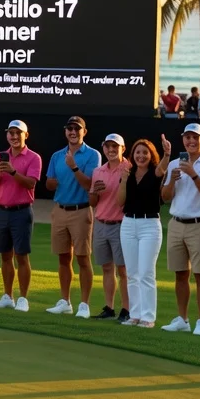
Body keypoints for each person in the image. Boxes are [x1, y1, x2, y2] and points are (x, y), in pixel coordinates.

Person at [160, 126, 200, 336]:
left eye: (195, 137)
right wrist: (173, 181)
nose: (191, 141)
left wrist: (193, 175)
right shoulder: (174, 164)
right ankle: (182, 319)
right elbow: (166, 196)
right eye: (187, 137)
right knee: (180, 274)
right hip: (177, 223)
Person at [43, 116, 100, 317]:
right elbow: (49, 182)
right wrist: (51, 183)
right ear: (65, 131)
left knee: (83, 259)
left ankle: (84, 304)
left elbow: (89, 184)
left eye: (77, 128)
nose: (73, 132)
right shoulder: (57, 156)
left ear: (84, 131)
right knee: (63, 258)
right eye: (70, 128)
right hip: (60, 210)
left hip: (81, 210)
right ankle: (65, 301)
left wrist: (74, 166)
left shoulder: (93, 155)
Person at [0, 119, 41, 312]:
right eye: (11, 133)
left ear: (26, 135)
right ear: (7, 135)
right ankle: (7, 296)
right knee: (5, 256)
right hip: (2, 211)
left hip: (22, 212)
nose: (15, 136)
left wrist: (13, 171)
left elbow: (31, 184)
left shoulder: (33, 158)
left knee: (22, 256)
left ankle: (23, 298)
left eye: (18, 133)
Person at [116, 139, 168, 328]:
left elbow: (162, 168)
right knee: (132, 273)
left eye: (145, 152)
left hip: (149, 225)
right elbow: (120, 201)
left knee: (146, 272)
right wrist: (122, 180)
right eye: (137, 152)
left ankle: (148, 317)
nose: (141, 156)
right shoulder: (128, 174)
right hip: (128, 223)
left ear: (151, 155)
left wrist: (167, 154)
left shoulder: (155, 172)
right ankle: (135, 314)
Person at [88, 134, 130, 320]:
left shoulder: (128, 168)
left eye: (115, 146)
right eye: (108, 146)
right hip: (100, 223)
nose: (111, 150)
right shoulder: (98, 171)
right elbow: (92, 201)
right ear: (103, 148)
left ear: (123, 148)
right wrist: (94, 192)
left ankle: (127, 309)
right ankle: (109, 308)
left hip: (121, 224)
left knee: (123, 270)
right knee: (106, 268)